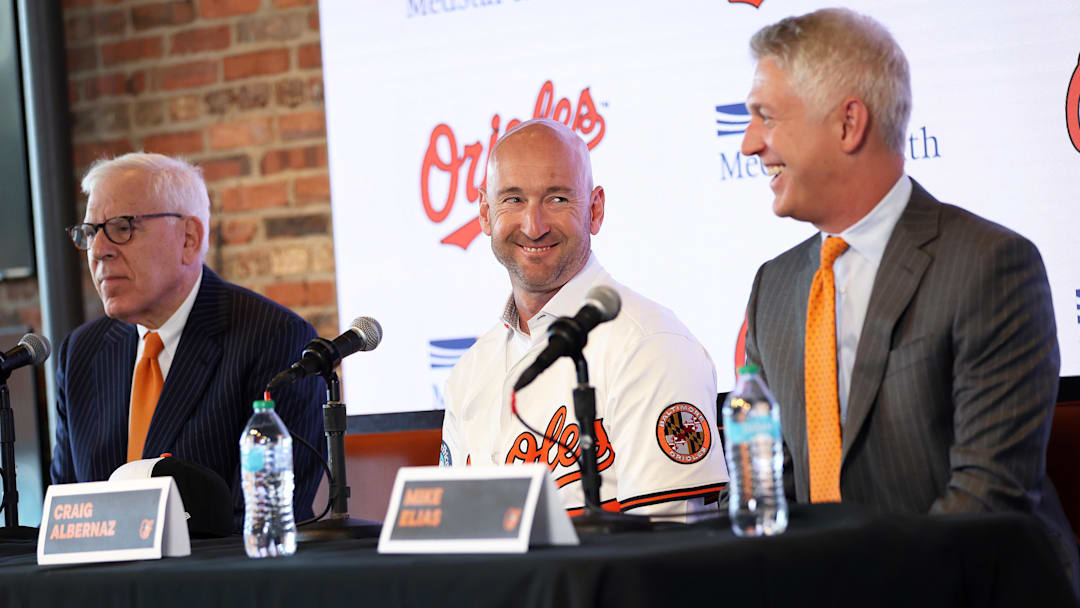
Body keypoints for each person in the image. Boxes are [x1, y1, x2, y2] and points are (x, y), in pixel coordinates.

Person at [739, 7, 1078, 587]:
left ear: (848, 124)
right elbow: (775, 497)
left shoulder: (990, 266)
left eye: (766, 117)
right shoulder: (774, 286)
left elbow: (985, 505)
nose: (749, 144)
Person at [440, 119, 728, 520]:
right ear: (486, 214)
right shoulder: (468, 372)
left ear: (595, 210)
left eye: (557, 199)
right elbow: (456, 534)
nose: (533, 225)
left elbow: (670, 550)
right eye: (513, 200)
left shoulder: (650, 344)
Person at [51, 153, 326, 528]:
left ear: (189, 239)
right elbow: (66, 517)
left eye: (121, 227)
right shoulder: (81, 352)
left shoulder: (274, 340)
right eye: (90, 232)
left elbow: (263, 519)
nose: (99, 251)